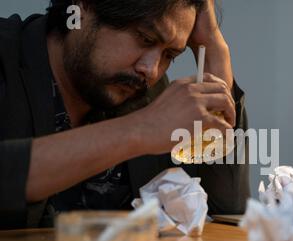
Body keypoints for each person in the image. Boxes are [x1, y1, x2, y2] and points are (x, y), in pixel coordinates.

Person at [0, 0, 250, 229]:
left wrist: (214, 45)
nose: (151, 71)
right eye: (144, 37)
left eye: (169, 55)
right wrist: (139, 130)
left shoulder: (145, 94)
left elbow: (227, 206)